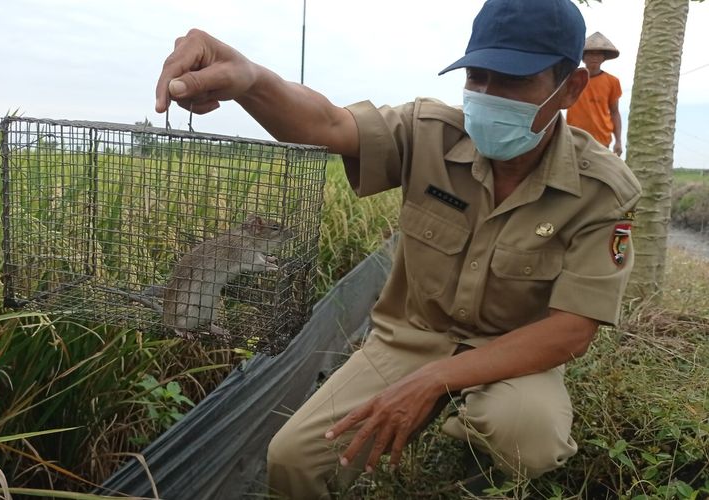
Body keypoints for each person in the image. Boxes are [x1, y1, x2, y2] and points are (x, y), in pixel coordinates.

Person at [155, 0, 641, 497]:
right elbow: (327, 124)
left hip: (510, 352)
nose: (489, 96)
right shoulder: (427, 133)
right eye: (478, 77)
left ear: (571, 88)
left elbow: (570, 330)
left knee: (527, 437)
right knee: (292, 459)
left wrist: (435, 382)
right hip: (409, 339)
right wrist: (251, 80)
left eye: (514, 81)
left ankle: (464, 448)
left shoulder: (601, 190)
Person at [566, 32, 624, 156]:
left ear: (604, 58)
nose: (595, 58)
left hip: (601, 139)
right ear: (583, 57)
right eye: (591, 54)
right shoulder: (571, 79)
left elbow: (614, 112)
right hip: (573, 136)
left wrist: (618, 141)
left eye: (598, 55)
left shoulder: (612, 81)